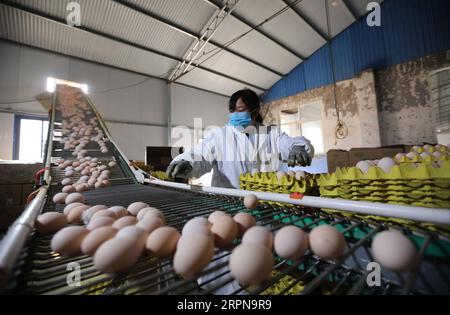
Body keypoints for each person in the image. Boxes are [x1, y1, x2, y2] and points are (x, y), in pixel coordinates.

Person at [166, 89, 314, 187]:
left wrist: (298, 147)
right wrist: (186, 162)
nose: (235, 115)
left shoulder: (270, 134)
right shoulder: (220, 136)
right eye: (232, 111)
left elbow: (290, 144)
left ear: (255, 112)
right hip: (230, 204)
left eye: (240, 110)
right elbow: (200, 154)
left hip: (266, 204)